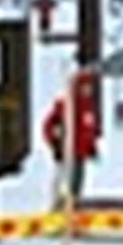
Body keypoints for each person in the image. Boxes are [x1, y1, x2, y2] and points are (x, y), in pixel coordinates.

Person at [43, 72, 100, 206]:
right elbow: (49, 125)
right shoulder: (66, 105)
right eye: (84, 87)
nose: (87, 90)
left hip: (80, 153)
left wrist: (91, 147)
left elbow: (88, 128)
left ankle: (74, 202)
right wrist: (54, 143)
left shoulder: (88, 107)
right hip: (67, 151)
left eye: (89, 87)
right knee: (64, 178)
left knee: (77, 180)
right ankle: (59, 203)